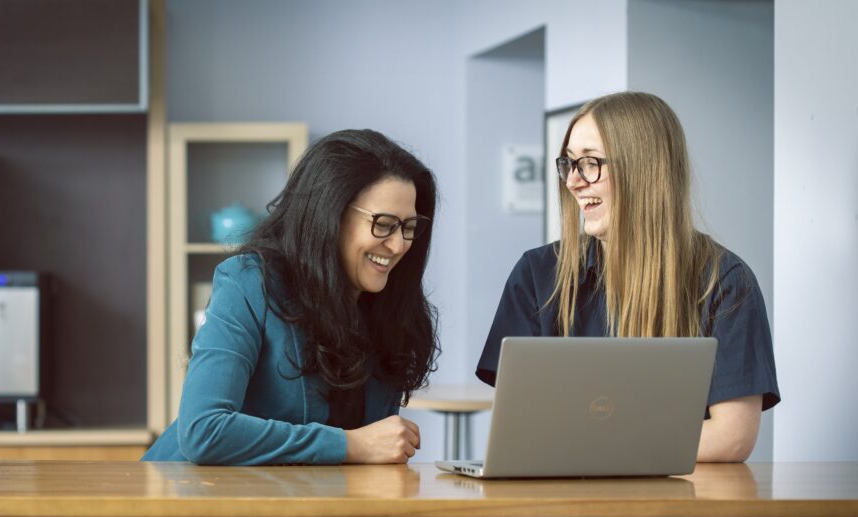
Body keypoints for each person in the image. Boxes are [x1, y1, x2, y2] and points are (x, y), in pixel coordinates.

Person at [477, 91, 779, 463]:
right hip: (560, 506)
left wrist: (588, 442)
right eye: (569, 164)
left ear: (644, 168)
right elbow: (520, 427)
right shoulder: (537, 275)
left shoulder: (726, 282)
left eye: (589, 163)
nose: (573, 182)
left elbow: (731, 437)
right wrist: (638, 441)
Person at [143, 129, 439, 465]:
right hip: (186, 504)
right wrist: (349, 445)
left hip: (294, 507)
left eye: (409, 227)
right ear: (330, 214)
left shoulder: (388, 311)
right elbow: (204, 431)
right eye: (384, 224)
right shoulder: (249, 283)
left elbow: (371, 454)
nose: (400, 245)